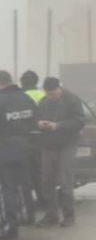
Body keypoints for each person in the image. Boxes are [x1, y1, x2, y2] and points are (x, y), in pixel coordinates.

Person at [36, 78, 85, 227]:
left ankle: (69, 216)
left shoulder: (72, 100)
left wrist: (58, 126)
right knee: (46, 181)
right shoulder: (43, 102)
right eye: (49, 94)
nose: (51, 97)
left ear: (60, 89)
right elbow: (36, 118)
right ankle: (51, 215)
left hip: (67, 145)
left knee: (65, 181)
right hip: (49, 145)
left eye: (54, 93)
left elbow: (79, 121)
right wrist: (39, 123)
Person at [0, 71, 38, 240]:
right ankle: (29, 216)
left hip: (6, 148)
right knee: (25, 184)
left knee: (8, 188)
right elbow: (36, 120)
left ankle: (11, 226)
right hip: (27, 147)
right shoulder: (25, 98)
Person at [19, 70, 45, 208]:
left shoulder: (20, 97)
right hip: (43, 139)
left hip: (24, 140)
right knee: (40, 172)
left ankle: (27, 205)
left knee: (25, 174)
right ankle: (43, 201)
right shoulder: (43, 95)